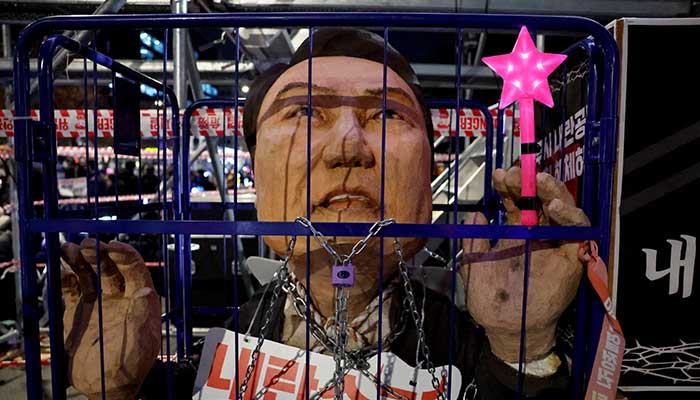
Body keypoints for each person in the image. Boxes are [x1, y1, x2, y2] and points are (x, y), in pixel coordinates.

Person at [59, 28, 589, 400]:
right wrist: (125, 388)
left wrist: (524, 346)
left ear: (428, 176)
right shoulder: (230, 340)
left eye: (385, 114)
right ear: (256, 171)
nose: (349, 149)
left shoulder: (472, 341)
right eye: (305, 113)